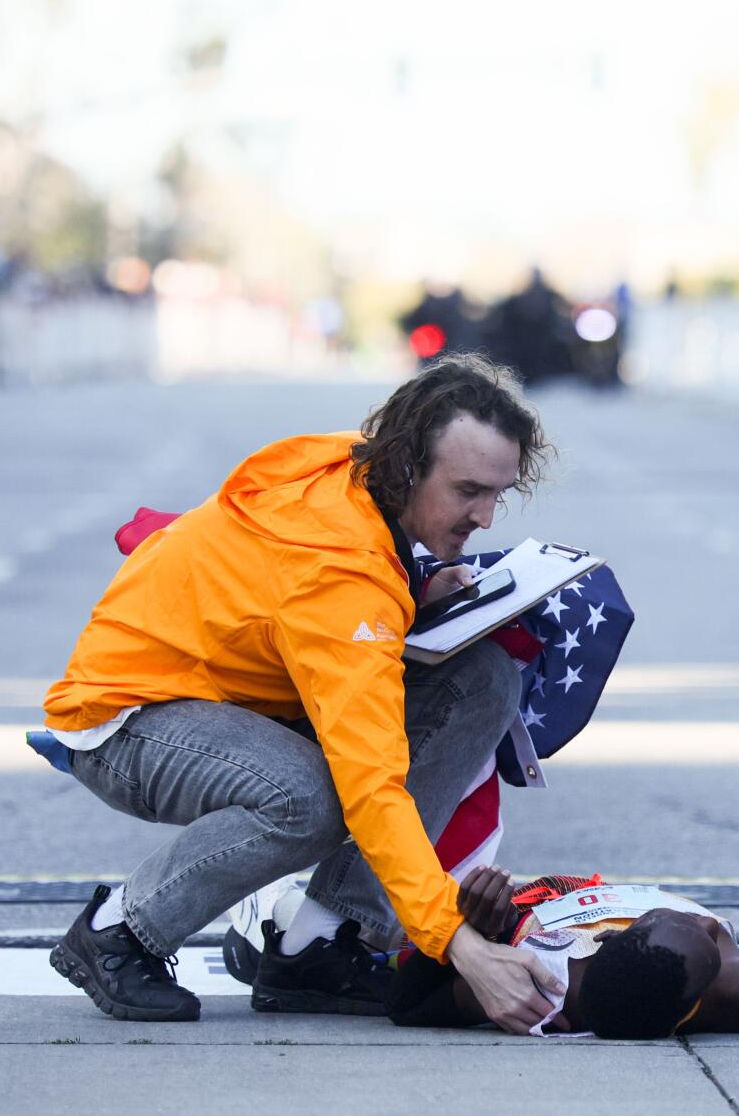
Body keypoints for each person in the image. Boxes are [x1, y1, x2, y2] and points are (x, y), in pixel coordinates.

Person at [40, 355, 566, 1034]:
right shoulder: (339, 572)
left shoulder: (356, 473)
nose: (486, 516)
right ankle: (119, 929)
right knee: (310, 796)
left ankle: (318, 942)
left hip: (225, 697)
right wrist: (456, 941)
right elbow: (371, 783)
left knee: (485, 676)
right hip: (127, 718)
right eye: (469, 490)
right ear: (407, 465)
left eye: (499, 492)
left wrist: (409, 597)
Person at [387, 868, 739, 1038]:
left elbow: (406, 1005)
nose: (708, 920)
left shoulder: (551, 987)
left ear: (610, 937)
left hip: (554, 910)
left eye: (700, 930)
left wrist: (474, 934)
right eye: (708, 938)